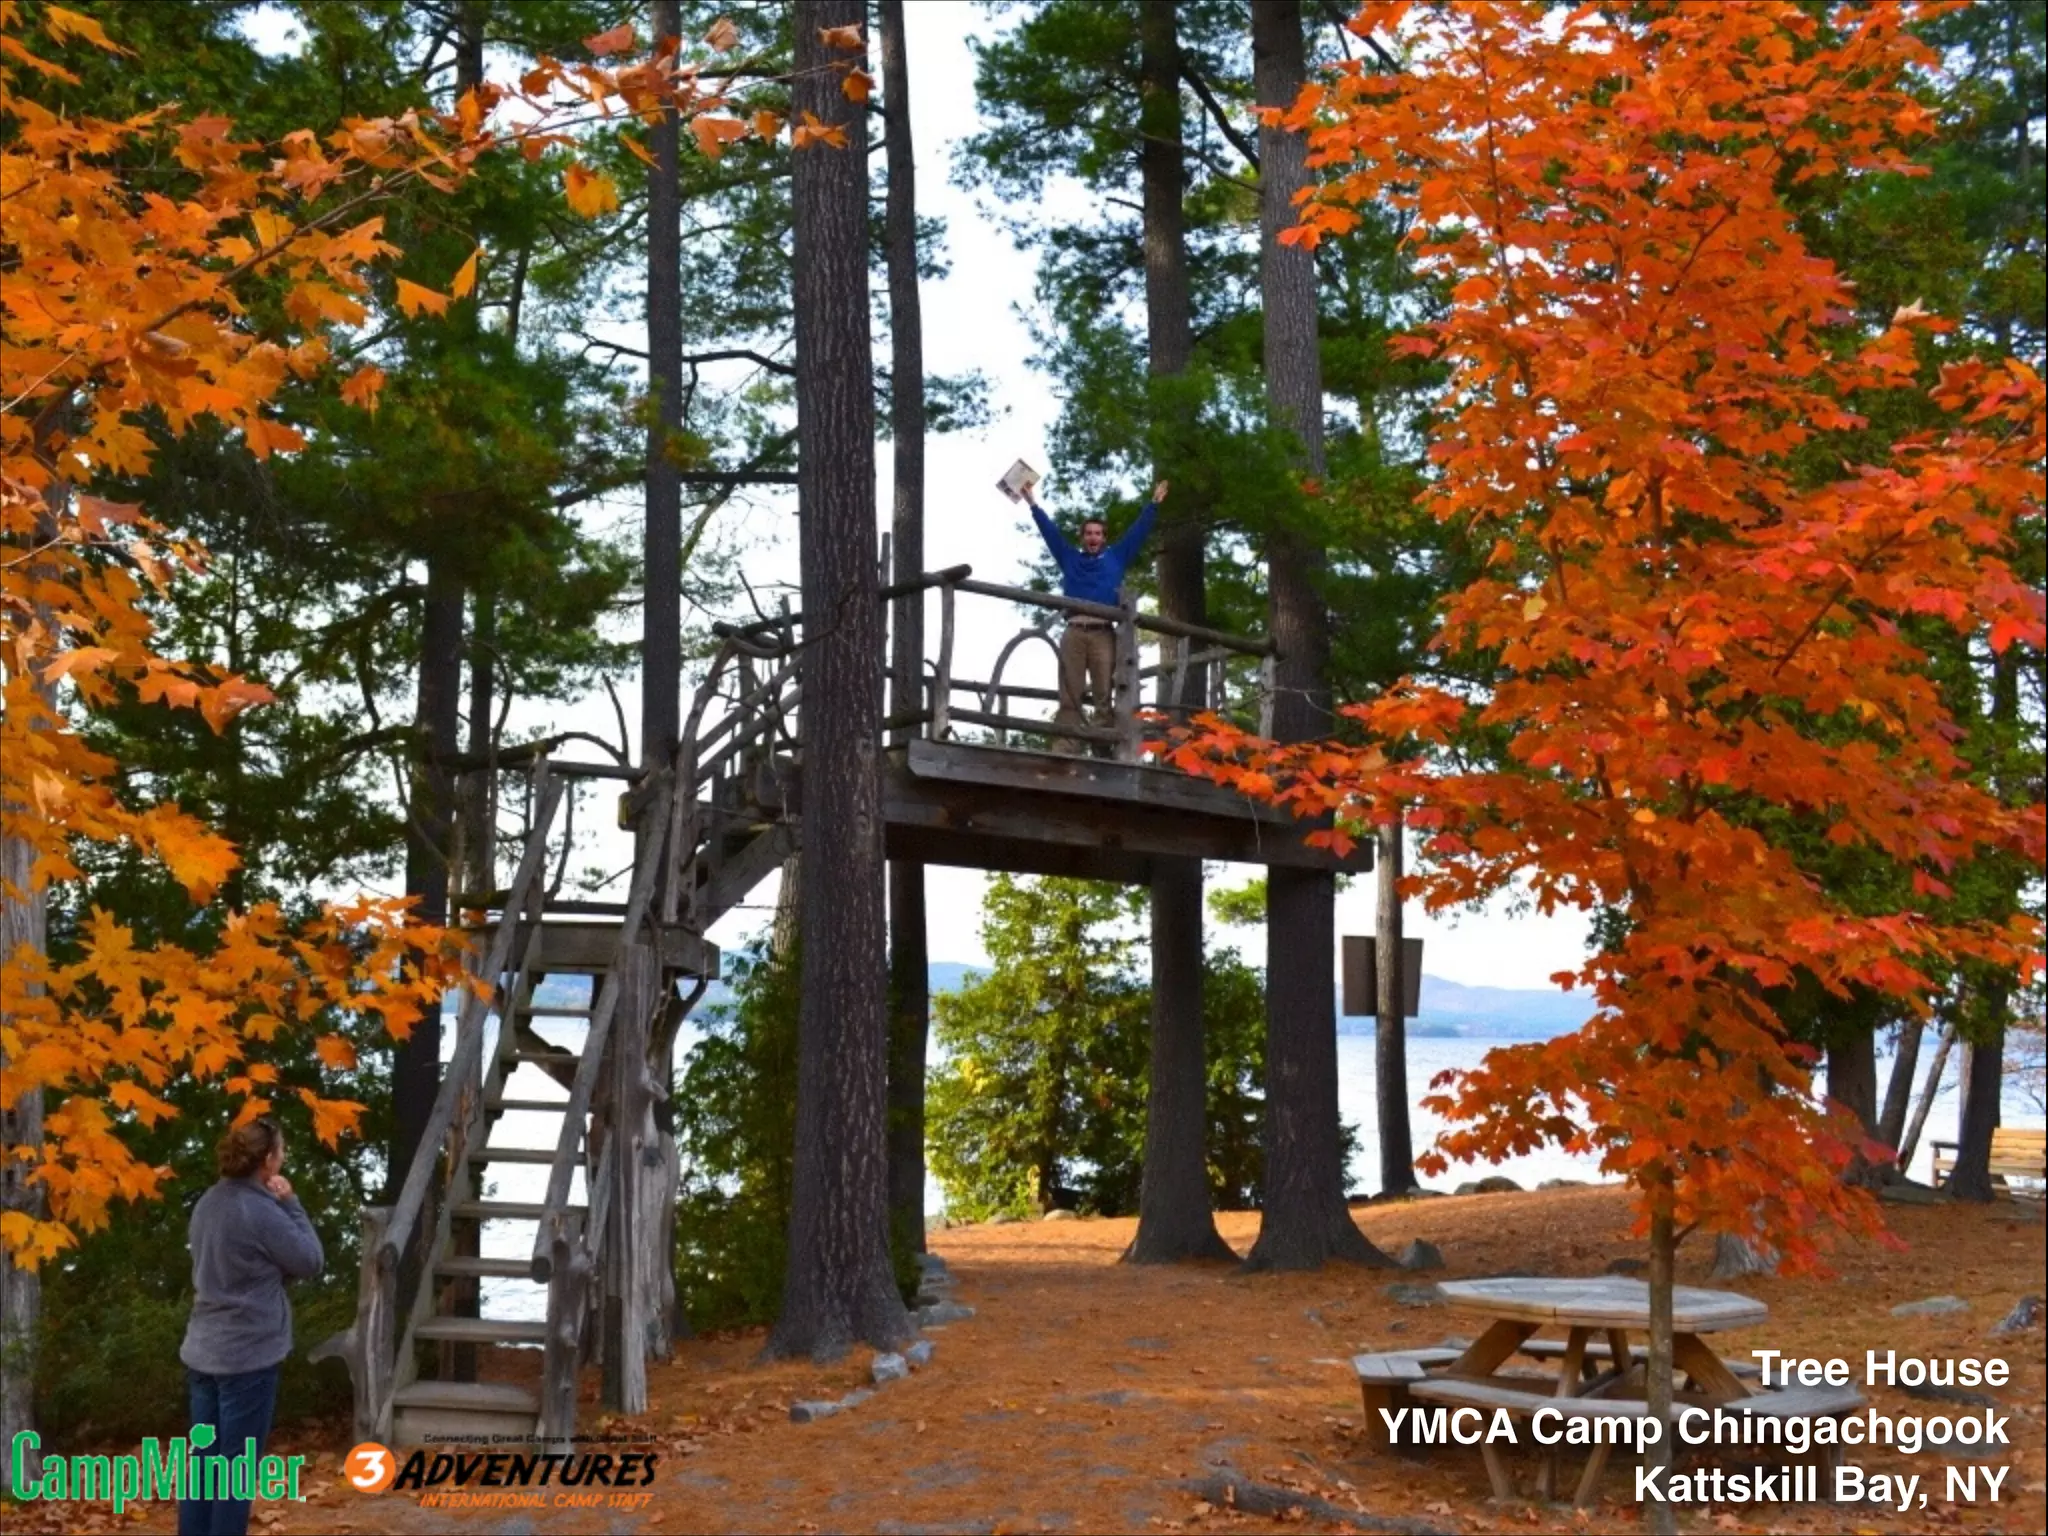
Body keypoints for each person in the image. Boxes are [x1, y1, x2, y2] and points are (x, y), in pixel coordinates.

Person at [178, 1115, 323, 1536]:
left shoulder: (208, 1202)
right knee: (235, 1473)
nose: (285, 1157)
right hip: (246, 1357)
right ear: (268, 1161)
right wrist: (292, 1203)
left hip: (203, 1352)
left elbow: (228, 1263)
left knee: (205, 1466)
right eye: (282, 1151)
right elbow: (310, 1261)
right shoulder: (261, 1209)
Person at [1025, 479, 1168, 751]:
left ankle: (1101, 748)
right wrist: (1033, 504)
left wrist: (1153, 504)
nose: (1093, 538)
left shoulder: (1115, 557)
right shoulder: (1070, 558)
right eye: (1088, 533)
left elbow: (1138, 533)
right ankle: (1066, 746)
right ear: (1083, 537)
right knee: (1070, 692)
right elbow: (1050, 533)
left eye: (1098, 533)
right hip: (1074, 631)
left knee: (1104, 692)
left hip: (1103, 632)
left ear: (1104, 538)